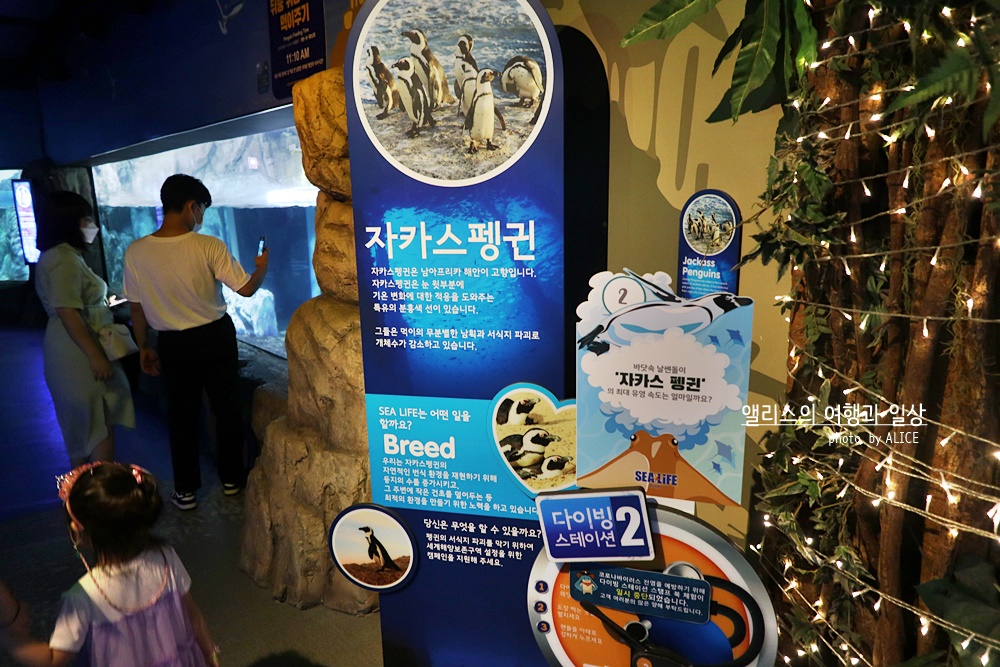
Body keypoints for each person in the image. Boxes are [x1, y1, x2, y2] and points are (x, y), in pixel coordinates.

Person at [122, 174, 269, 510]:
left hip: (172, 343)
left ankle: (186, 491)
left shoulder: (136, 251)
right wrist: (261, 267)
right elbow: (246, 288)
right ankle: (233, 480)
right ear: (191, 206)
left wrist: (144, 346)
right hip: (215, 337)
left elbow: (136, 306)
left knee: (181, 415)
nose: (201, 216)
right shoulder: (208, 245)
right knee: (226, 409)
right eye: (201, 208)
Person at [0, 462, 218, 666]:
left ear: (78, 530)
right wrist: (210, 656)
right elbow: (194, 617)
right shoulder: (164, 556)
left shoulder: (83, 596)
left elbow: (52, 659)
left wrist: (11, 640)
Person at [34, 191, 135, 466]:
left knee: (85, 428)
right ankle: (98, 489)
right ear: (70, 222)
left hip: (69, 346)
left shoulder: (60, 256)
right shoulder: (63, 259)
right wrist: (95, 355)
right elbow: (67, 311)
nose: (92, 225)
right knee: (98, 422)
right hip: (77, 351)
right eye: (86, 219)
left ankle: (87, 489)